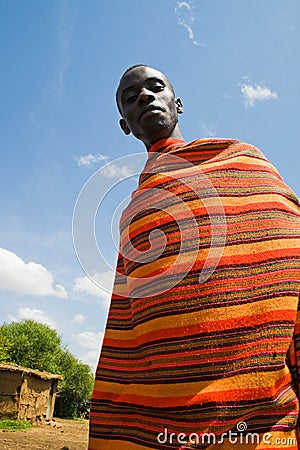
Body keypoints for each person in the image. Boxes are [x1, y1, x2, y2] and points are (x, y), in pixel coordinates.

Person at [88, 65, 300, 449]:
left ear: (178, 103)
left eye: (155, 88)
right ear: (125, 125)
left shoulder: (244, 161)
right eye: (131, 97)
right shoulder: (134, 207)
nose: (145, 97)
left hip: (263, 421)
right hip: (159, 416)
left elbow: (284, 242)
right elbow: (135, 313)